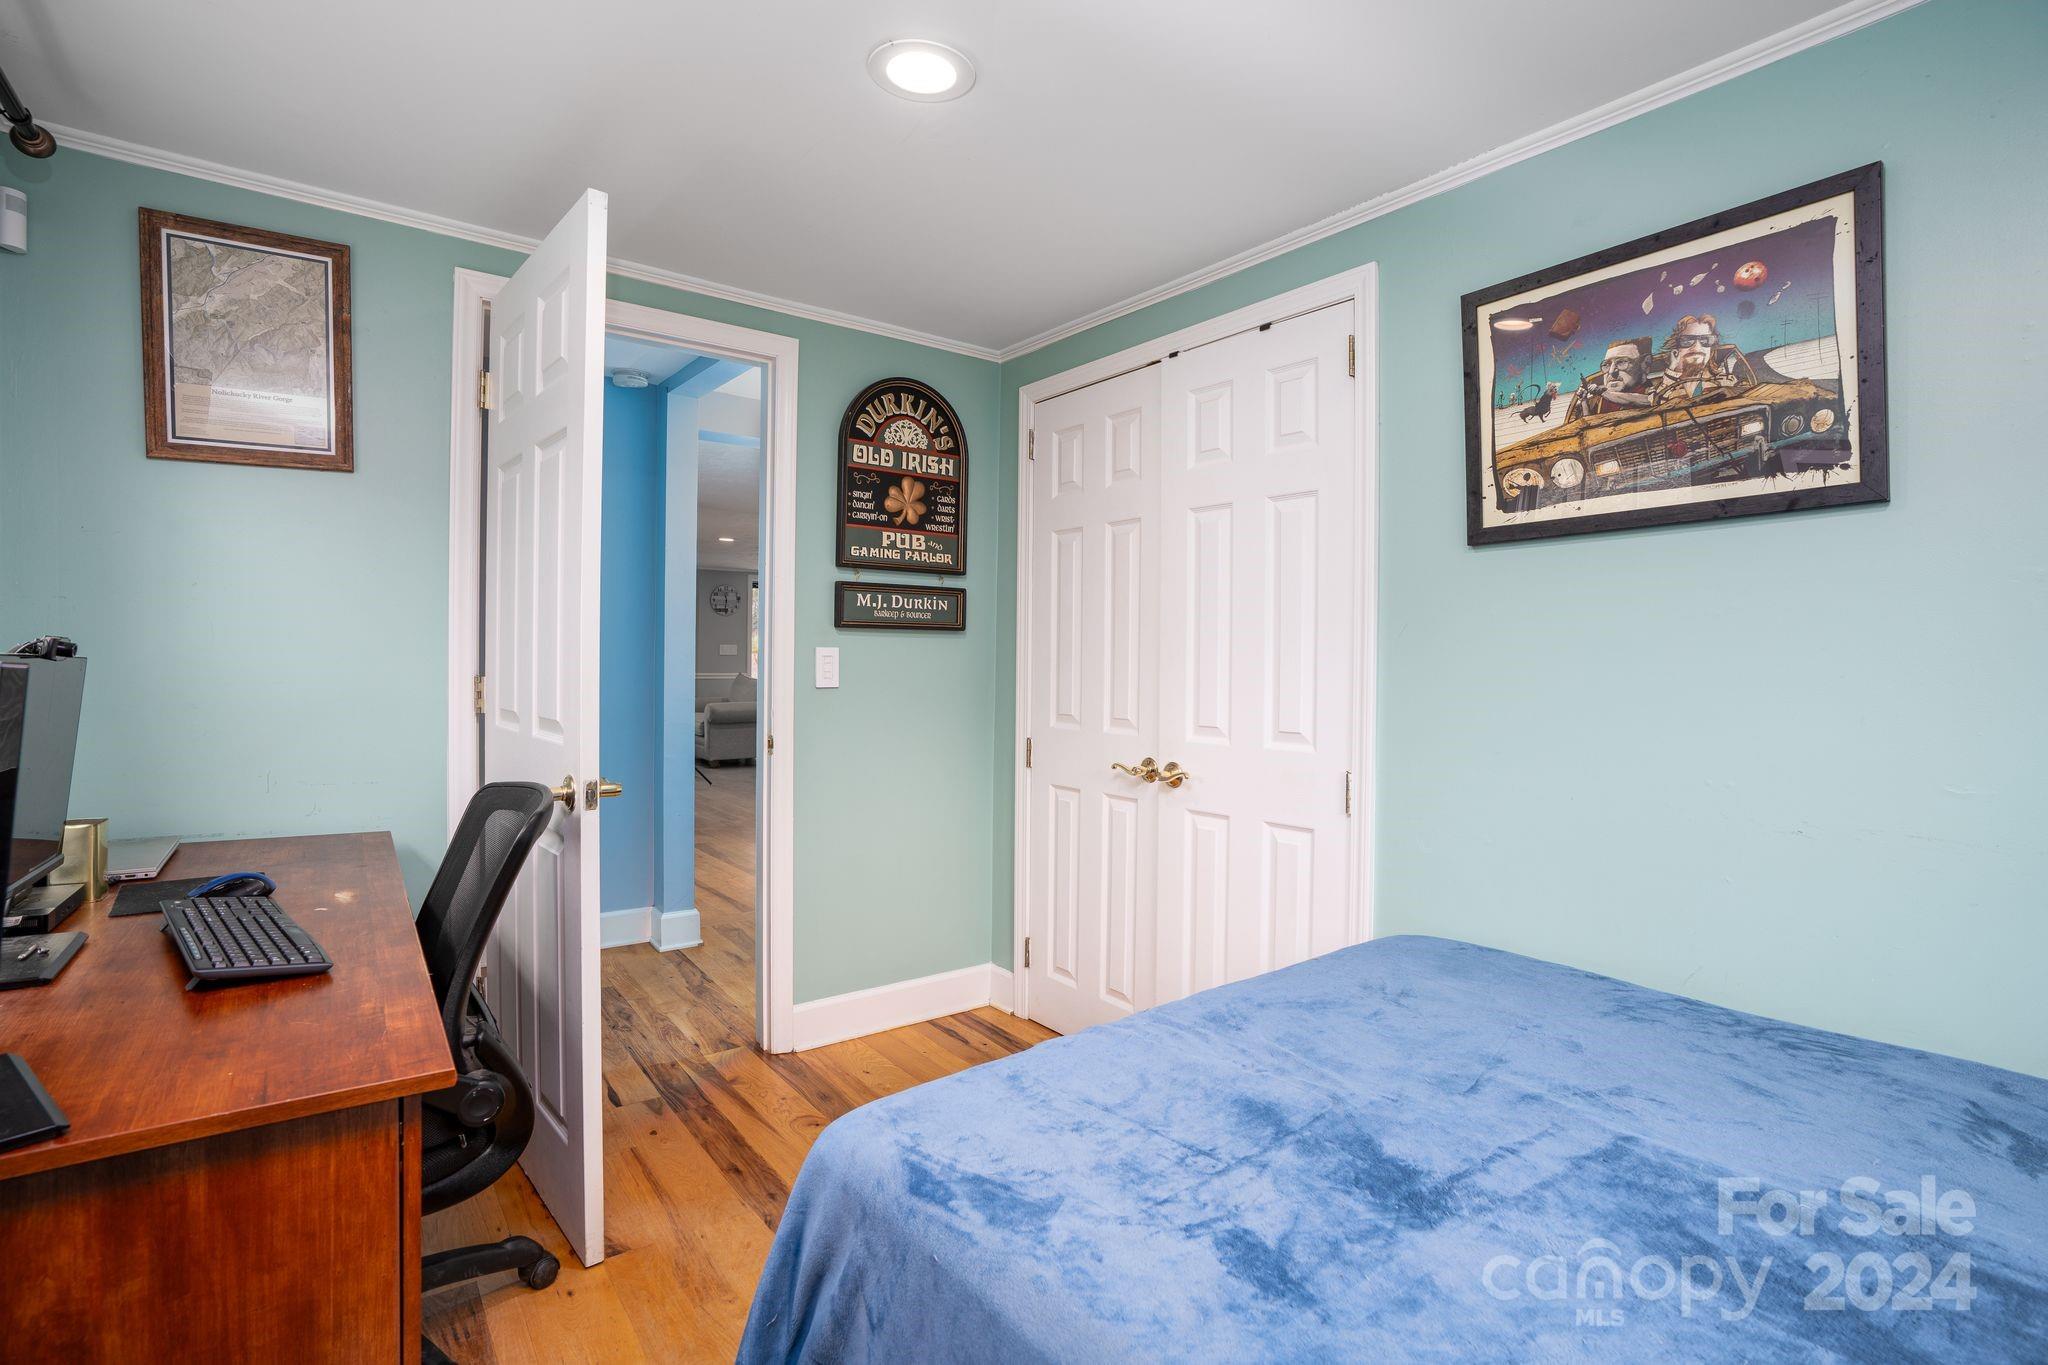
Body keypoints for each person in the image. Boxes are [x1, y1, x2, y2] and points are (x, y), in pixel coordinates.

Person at [1652, 314, 1741, 402]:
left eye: (1706, 340)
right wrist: (1672, 369)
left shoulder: (1724, 382)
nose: (1697, 348)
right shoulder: (1662, 388)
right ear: (1676, 348)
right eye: (1687, 341)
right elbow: (1657, 405)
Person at [1565, 337, 1656, 418]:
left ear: (1645, 364)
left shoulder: (1655, 391)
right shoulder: (1599, 401)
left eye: (1621, 362)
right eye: (1606, 364)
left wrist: (1600, 391)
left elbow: (1646, 400)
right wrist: (1584, 401)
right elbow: (1590, 425)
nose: (1612, 371)